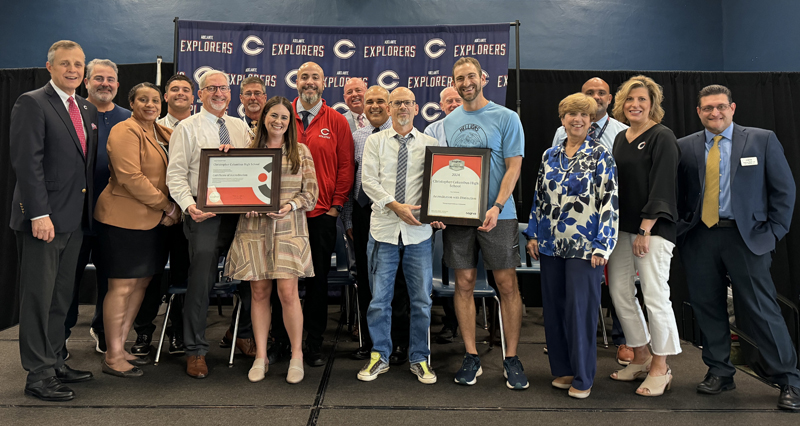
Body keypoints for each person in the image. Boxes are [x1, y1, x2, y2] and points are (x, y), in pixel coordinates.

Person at [677, 85, 800, 410]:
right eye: (707, 108)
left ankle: (789, 379)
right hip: (700, 237)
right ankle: (720, 371)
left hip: (747, 238)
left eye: (720, 107)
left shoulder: (761, 140)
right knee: (707, 306)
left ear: (733, 108)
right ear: (699, 112)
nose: (714, 113)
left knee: (761, 308)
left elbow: (784, 191)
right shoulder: (685, 146)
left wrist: (773, 234)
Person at [10, 40, 96, 401]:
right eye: (65, 64)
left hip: (74, 220)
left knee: (61, 298)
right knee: (38, 298)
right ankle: (38, 374)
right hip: (43, 221)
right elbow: (27, 163)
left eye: (78, 64)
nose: (73, 70)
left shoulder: (86, 108)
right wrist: (39, 214)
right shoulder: (32, 102)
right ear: (50, 67)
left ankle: (56, 358)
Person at [435, 57, 526, 390]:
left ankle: (512, 358)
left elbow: (514, 167)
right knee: (464, 283)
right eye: (460, 78)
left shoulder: (507, 117)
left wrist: (498, 205)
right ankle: (471, 355)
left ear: (482, 78)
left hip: (499, 215)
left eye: (471, 76)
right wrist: (442, 204)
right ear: (454, 82)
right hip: (460, 215)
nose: (466, 82)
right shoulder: (449, 121)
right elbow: (445, 170)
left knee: (506, 285)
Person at [524, 93, 618, 399]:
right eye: (571, 114)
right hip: (551, 245)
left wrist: (603, 244)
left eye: (583, 115)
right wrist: (534, 234)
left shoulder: (601, 156)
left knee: (581, 312)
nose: (577, 119)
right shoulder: (549, 155)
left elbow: (609, 202)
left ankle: (583, 375)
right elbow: (539, 196)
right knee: (554, 309)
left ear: (591, 121)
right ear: (562, 119)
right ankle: (563, 369)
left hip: (585, 248)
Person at [225, 96, 318, 384]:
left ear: (290, 123)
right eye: (273, 115)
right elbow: (233, 192)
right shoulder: (247, 151)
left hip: (289, 230)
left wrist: (289, 206)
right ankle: (260, 356)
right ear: (263, 117)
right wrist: (244, 200)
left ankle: (296, 356)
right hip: (253, 230)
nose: (278, 121)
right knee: (259, 294)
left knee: (288, 294)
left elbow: (311, 195)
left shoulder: (300, 151)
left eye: (284, 117)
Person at [268, 62, 354, 367]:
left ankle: (313, 343)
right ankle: (279, 341)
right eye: (304, 77)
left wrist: (335, 208)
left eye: (315, 77)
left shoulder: (338, 122)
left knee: (317, 283)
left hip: (320, 215)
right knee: (281, 281)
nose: (309, 82)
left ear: (323, 82)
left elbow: (346, 168)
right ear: (296, 82)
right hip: (281, 216)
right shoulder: (280, 117)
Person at [167, 70, 251, 378]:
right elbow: (175, 175)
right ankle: (196, 350)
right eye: (211, 88)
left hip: (240, 214)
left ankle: (242, 334)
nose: (219, 92)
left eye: (224, 88)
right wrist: (189, 206)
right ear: (200, 94)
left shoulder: (240, 127)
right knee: (201, 280)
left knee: (251, 275)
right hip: (204, 214)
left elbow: (254, 169)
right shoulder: (186, 128)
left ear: (230, 93)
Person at [94, 82, 180, 377]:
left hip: (152, 223)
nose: (150, 104)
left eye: (155, 100)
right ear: (131, 103)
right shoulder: (125, 130)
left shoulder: (162, 132)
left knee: (141, 283)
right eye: (142, 99)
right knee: (122, 287)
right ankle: (112, 354)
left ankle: (120, 346)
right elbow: (131, 177)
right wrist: (168, 207)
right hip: (123, 221)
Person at [356, 87, 438, 384]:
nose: (402, 107)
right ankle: (380, 355)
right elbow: (369, 182)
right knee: (379, 299)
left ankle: (420, 358)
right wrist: (395, 206)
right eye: (397, 103)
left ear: (416, 108)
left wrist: (440, 211)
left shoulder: (431, 143)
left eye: (407, 103)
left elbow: (438, 185)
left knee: (421, 301)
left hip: (419, 233)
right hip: (384, 231)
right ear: (388, 109)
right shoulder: (375, 142)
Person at [607, 75, 681, 397]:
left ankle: (661, 368)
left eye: (642, 100)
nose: (635, 105)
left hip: (652, 230)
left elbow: (662, 185)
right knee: (621, 293)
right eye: (630, 100)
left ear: (653, 105)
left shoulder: (662, 137)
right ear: (622, 104)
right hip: (621, 229)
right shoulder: (621, 138)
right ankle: (640, 355)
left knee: (654, 295)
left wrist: (645, 229)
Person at [550, 77, 632, 365]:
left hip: (610, 223)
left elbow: (616, 188)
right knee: (574, 294)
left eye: (600, 93)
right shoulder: (558, 139)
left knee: (621, 286)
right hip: (567, 231)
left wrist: (604, 234)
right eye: (588, 93)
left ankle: (624, 340)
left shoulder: (623, 133)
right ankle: (573, 344)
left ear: (609, 99)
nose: (595, 97)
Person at [62, 58, 131, 356]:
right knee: (67, 278)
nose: (105, 84)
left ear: (118, 84)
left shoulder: (129, 118)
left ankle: (104, 331)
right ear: (86, 81)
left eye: (110, 79)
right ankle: (59, 336)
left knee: (110, 277)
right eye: (99, 78)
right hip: (74, 214)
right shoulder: (70, 112)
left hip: (115, 216)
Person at [341, 86, 411, 363]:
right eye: (369, 102)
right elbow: (350, 179)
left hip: (394, 214)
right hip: (362, 213)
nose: (374, 106)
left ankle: (399, 343)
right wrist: (347, 218)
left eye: (381, 101)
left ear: (392, 105)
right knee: (367, 279)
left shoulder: (402, 137)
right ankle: (370, 342)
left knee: (398, 280)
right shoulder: (356, 137)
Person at [130, 74, 195, 358]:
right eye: (174, 89)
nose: (181, 93)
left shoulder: (200, 128)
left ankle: (178, 334)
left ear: (194, 97)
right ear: (166, 97)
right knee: (149, 275)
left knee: (184, 276)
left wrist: (181, 209)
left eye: (186, 90)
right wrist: (165, 208)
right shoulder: (150, 129)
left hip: (187, 216)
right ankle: (143, 332)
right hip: (154, 215)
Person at [423, 86, 462, 344]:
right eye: (449, 101)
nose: (453, 103)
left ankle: (458, 321)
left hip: (468, 208)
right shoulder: (431, 131)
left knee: (461, 268)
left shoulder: (478, 127)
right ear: (441, 105)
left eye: (457, 99)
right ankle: (445, 321)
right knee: (439, 267)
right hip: (439, 207)